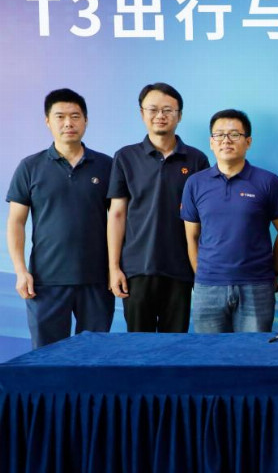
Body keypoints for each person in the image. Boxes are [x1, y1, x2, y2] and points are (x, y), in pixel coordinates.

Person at [6, 89, 114, 348]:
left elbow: (119, 220)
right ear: (48, 121)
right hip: (46, 282)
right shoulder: (30, 167)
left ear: (86, 121)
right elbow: (16, 222)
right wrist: (20, 271)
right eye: (60, 116)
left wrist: (116, 268)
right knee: (46, 359)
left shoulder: (107, 166)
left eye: (75, 116)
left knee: (94, 357)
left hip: (97, 280)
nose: (68, 123)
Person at [107, 82, 210, 333]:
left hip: (181, 269)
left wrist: (201, 269)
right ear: (142, 113)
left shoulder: (196, 159)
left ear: (179, 115)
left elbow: (205, 220)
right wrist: (114, 267)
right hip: (137, 268)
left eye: (168, 110)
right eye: (153, 109)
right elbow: (117, 214)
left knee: (174, 346)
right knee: (139, 346)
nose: (160, 115)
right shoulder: (125, 157)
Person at [181, 109, 278, 333]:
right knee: (209, 352)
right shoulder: (195, 183)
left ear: (248, 142)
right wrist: (202, 274)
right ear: (211, 142)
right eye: (219, 134)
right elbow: (192, 236)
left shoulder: (268, 182)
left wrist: (275, 272)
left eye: (234, 134)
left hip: (257, 285)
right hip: (208, 288)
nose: (226, 140)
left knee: (253, 351)